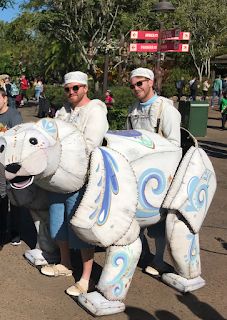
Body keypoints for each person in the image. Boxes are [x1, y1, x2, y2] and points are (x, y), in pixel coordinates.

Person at [40, 71, 109, 297]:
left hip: (81, 177)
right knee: (58, 219)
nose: (71, 92)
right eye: (67, 89)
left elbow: (90, 144)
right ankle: (65, 264)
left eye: (75, 88)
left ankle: (86, 277)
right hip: (58, 177)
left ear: (85, 88)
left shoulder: (95, 111)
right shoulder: (63, 111)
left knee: (79, 226)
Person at [126, 67, 181, 274]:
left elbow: (175, 144)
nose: (136, 88)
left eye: (140, 83)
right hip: (136, 173)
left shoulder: (165, 109)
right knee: (134, 216)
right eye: (132, 85)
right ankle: (144, 254)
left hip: (159, 173)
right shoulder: (133, 109)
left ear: (150, 82)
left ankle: (158, 259)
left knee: (158, 219)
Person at [0, 88, 23, 246]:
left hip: (10, 162)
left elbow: (18, 138)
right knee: (1, 197)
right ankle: (2, 232)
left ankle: (15, 232)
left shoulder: (14, 115)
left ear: (4, 98)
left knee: (14, 200)